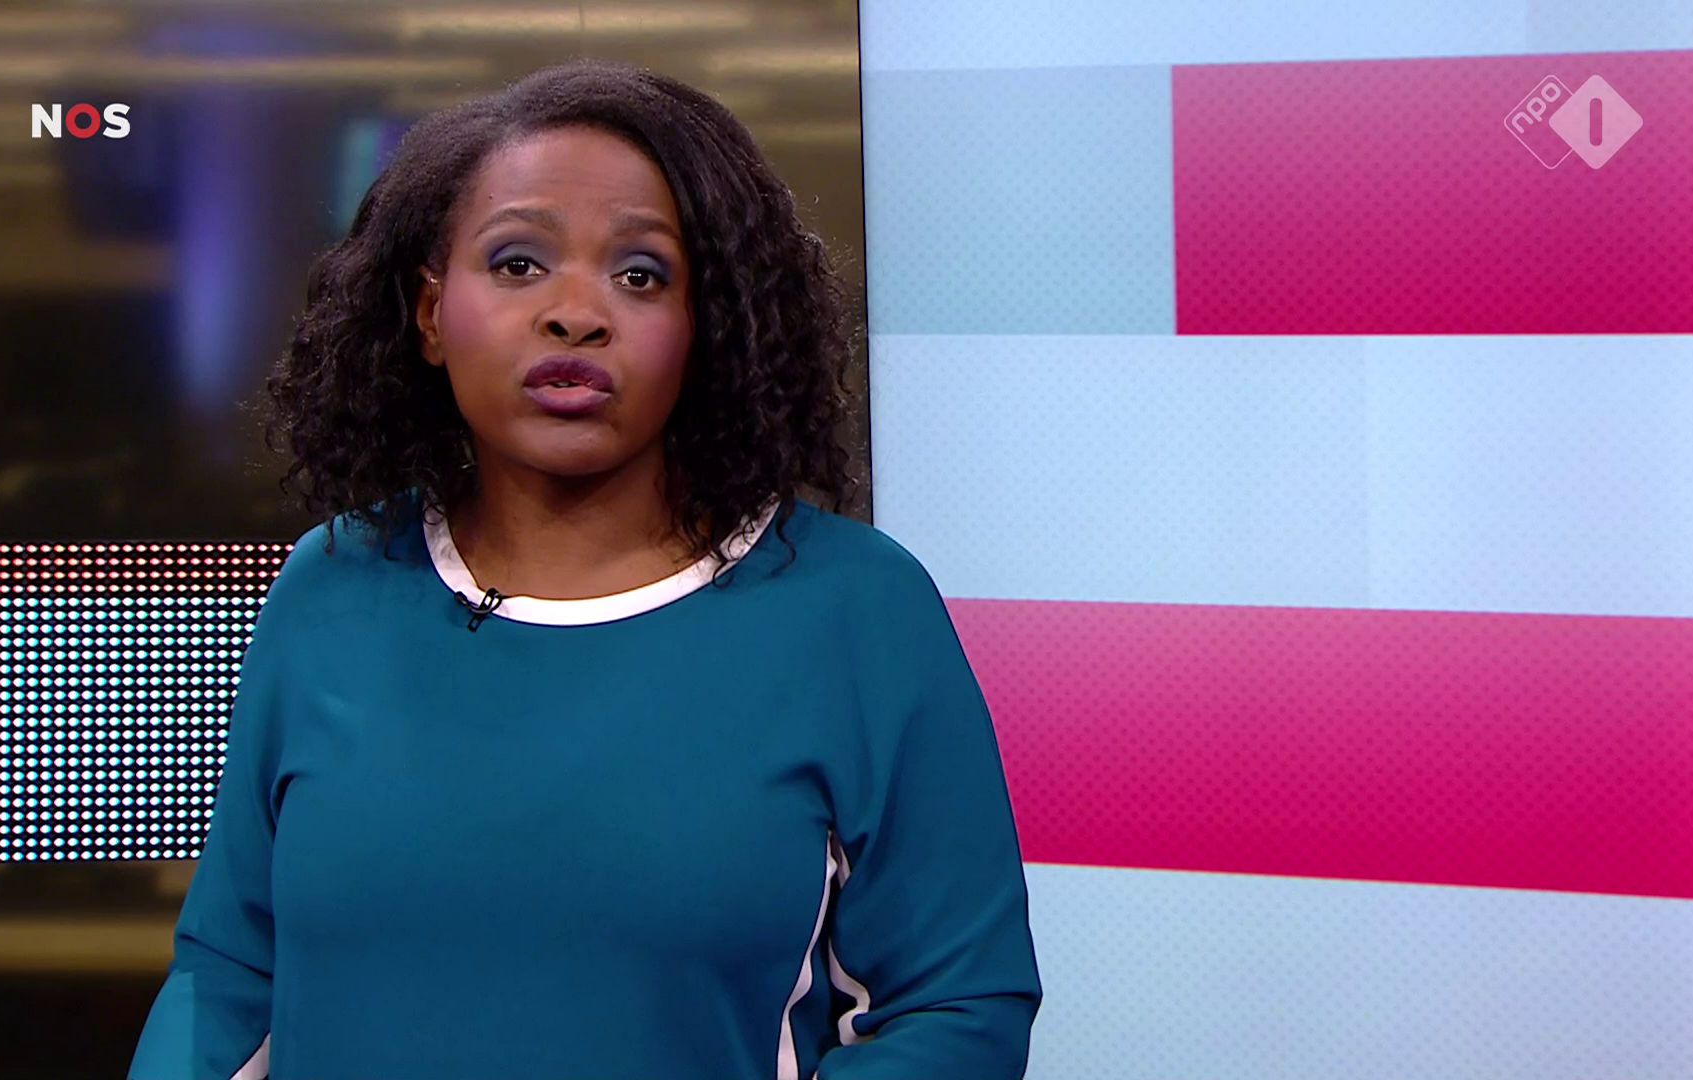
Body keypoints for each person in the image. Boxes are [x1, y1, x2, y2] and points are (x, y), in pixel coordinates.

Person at [127, 58, 1042, 1080]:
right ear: (430, 313)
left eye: (640, 275)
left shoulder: (857, 608)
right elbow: (228, 973)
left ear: (706, 326)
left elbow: (954, 1008)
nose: (576, 314)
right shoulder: (330, 586)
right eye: (517, 263)